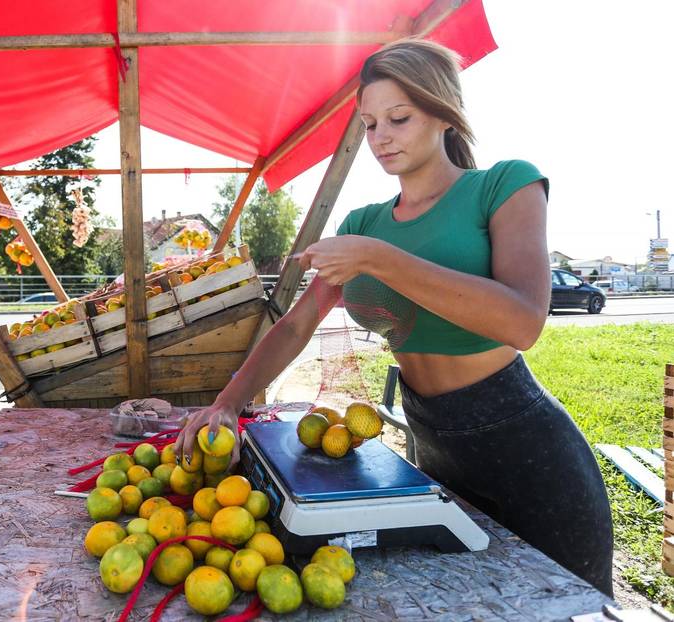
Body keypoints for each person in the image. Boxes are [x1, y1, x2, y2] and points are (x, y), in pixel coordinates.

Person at [176, 38, 613, 596]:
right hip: (433, 451)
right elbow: (295, 325)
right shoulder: (364, 223)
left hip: (531, 452)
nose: (380, 137)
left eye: (398, 118)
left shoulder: (504, 186)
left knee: (569, 605)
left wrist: (379, 259)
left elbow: (523, 322)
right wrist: (227, 402)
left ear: (444, 114)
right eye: (369, 124)